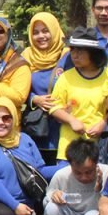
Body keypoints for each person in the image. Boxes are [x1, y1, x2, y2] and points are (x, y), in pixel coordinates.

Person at [47, 27, 108, 160]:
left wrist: (103, 124)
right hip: (69, 148)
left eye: (80, 51)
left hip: (99, 148)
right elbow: (54, 106)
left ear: (92, 53)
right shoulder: (66, 77)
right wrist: (71, 120)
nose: (74, 55)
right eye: (72, 50)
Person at [23, 12, 67, 164]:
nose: (41, 36)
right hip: (37, 128)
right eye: (35, 32)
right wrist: (34, 99)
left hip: (64, 127)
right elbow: (19, 87)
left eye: (45, 30)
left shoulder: (67, 56)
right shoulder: (26, 57)